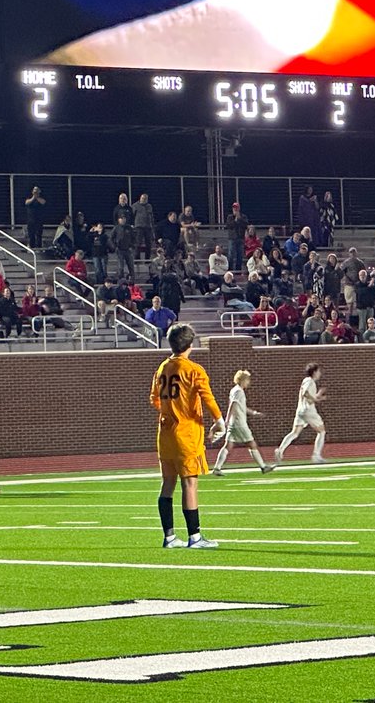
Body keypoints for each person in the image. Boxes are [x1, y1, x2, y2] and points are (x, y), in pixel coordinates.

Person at [150, 323, 225, 549]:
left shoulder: (162, 367)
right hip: (186, 434)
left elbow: (154, 399)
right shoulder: (193, 369)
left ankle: (170, 537)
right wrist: (219, 421)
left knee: (167, 484)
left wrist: (170, 410)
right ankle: (195, 536)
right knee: (190, 484)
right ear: (190, 344)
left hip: (165, 434)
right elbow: (208, 397)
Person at [212, 370, 275, 475]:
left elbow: (242, 407)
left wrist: (254, 413)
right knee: (252, 443)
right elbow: (233, 405)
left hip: (234, 422)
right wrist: (227, 419)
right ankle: (263, 467)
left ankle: (216, 468)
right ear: (242, 380)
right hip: (239, 423)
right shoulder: (238, 391)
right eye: (247, 379)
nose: (248, 382)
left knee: (228, 445)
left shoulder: (234, 390)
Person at [275, 363, 328, 465]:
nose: (320, 373)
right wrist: (315, 399)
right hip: (309, 411)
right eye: (318, 371)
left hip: (301, 411)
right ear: (314, 372)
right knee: (321, 431)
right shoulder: (310, 381)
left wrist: (318, 396)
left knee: (294, 433)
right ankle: (316, 456)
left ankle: (280, 450)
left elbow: (308, 395)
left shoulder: (305, 381)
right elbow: (306, 394)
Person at [224, 203, 248, 271]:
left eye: (236, 208)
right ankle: (230, 269)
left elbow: (245, 225)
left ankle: (238, 269)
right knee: (231, 254)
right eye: (234, 208)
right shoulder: (230, 217)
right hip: (232, 238)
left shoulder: (243, 217)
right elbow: (229, 226)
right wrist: (235, 220)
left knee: (240, 255)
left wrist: (239, 218)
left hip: (241, 238)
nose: (235, 209)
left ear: (239, 208)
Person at [111, 216, 136, 281]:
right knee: (120, 266)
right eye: (121, 219)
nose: (123, 220)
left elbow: (134, 238)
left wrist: (132, 246)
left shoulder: (129, 228)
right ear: (119, 220)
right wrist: (114, 247)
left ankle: (132, 279)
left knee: (131, 266)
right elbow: (111, 238)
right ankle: (120, 279)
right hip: (119, 250)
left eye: (124, 218)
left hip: (128, 249)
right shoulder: (116, 228)